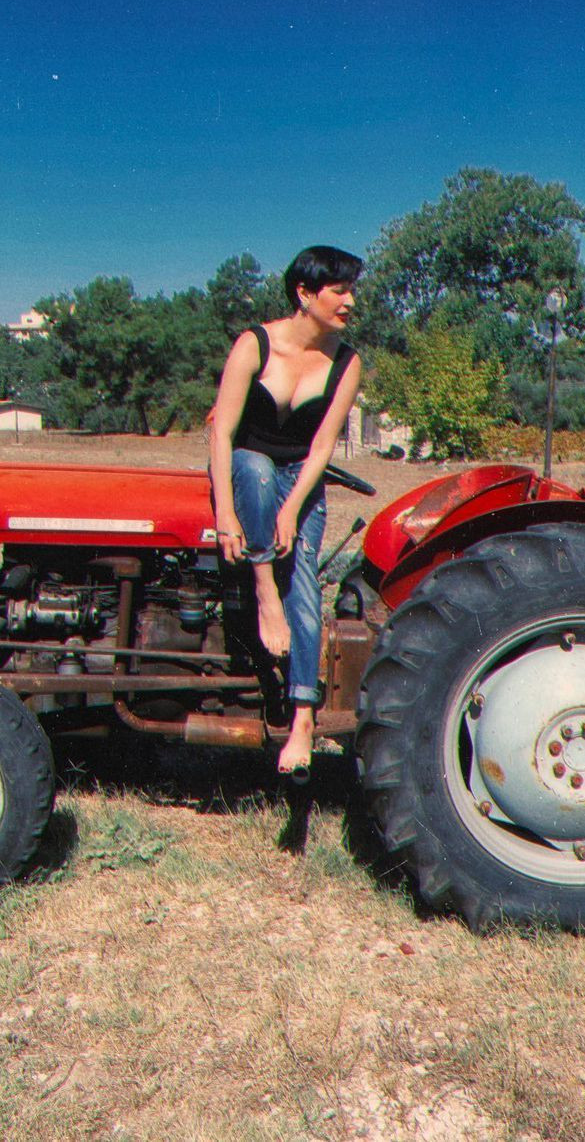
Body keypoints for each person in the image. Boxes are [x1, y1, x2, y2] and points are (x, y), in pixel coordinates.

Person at [209, 246, 363, 780]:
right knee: (252, 468)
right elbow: (223, 433)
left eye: (351, 290)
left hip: (301, 476)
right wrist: (226, 516)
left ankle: (302, 722)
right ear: (304, 293)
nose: (350, 301)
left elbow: (322, 447)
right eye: (339, 290)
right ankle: (261, 591)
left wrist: (294, 508)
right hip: (247, 471)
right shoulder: (254, 344)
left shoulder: (346, 361)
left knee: (304, 584)